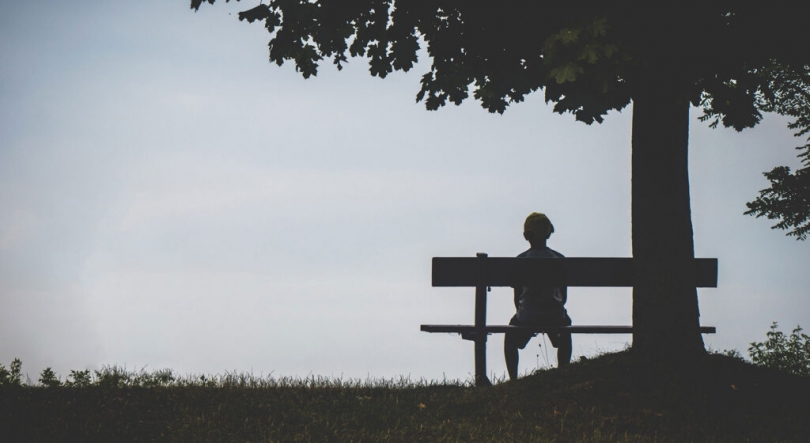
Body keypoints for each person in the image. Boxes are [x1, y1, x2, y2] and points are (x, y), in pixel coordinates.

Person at [505, 212, 573, 380]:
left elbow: (517, 297)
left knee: (510, 337)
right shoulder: (559, 259)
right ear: (549, 233)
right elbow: (563, 297)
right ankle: (563, 372)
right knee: (565, 327)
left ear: (526, 236)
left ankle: (513, 379)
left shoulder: (520, 261)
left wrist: (525, 312)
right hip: (554, 315)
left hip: (528, 315)